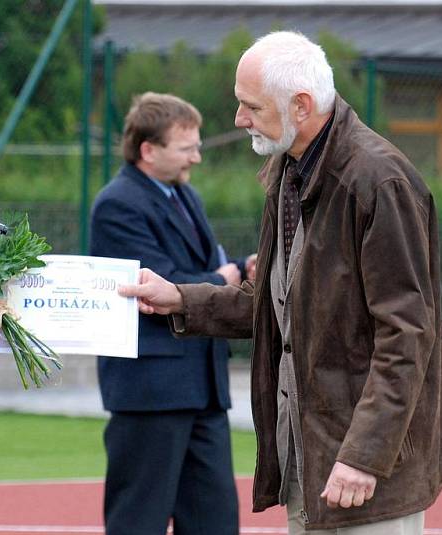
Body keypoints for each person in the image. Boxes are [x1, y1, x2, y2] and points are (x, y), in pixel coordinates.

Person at [118, 32, 442, 534]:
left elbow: (407, 334)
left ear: (301, 106)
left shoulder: (378, 180)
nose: (239, 119)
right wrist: (179, 298)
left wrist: (364, 456)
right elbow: (280, 305)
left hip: (368, 474)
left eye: (251, 107)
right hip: (310, 463)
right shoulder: (290, 169)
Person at [90, 92, 256, 535]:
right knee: (138, 521)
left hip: (203, 389)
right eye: (187, 148)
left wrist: (240, 267)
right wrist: (223, 278)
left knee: (215, 522)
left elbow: (195, 270)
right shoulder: (118, 203)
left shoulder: (185, 196)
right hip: (151, 392)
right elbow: (156, 285)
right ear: (148, 150)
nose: (197, 157)